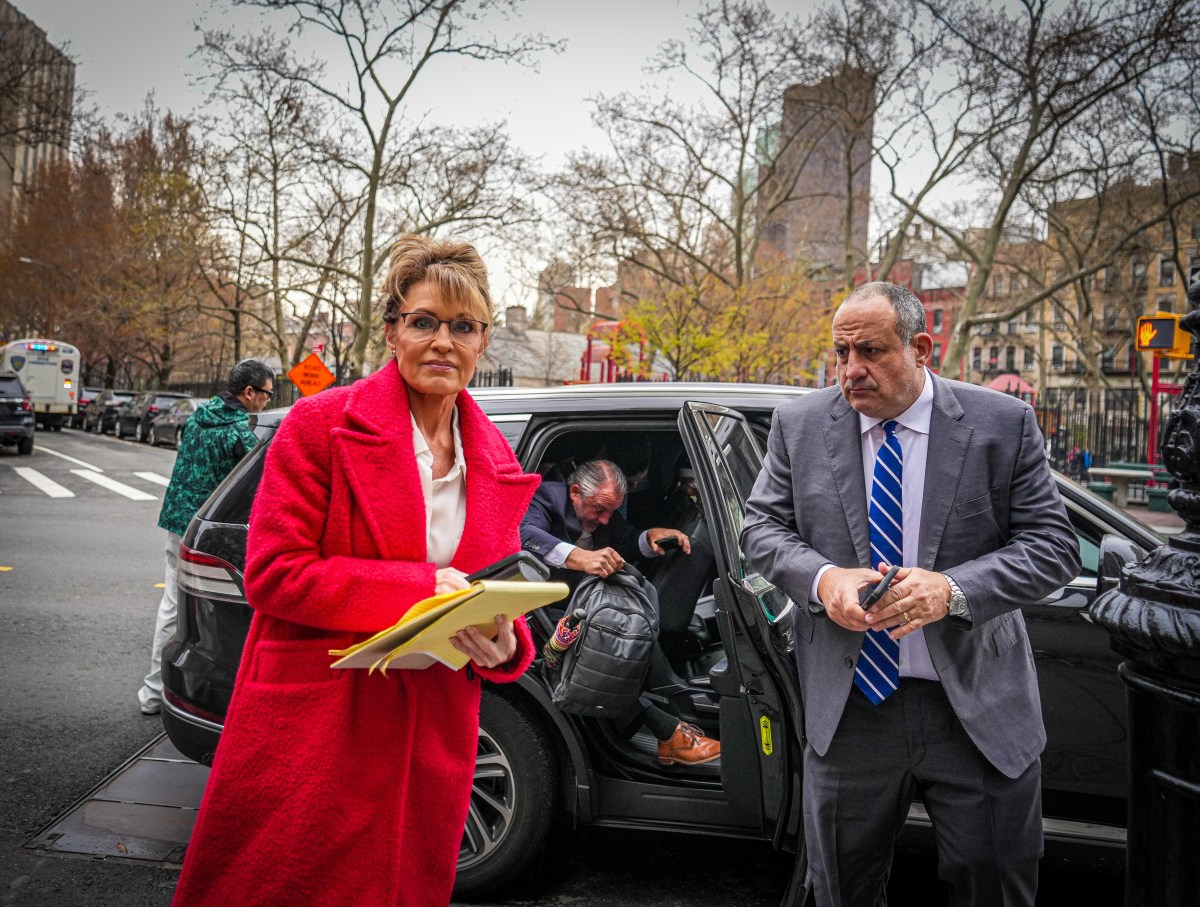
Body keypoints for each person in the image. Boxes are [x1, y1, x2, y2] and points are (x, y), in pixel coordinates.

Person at [172, 236, 542, 907]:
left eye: (463, 326)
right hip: (321, 722)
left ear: (483, 341)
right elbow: (276, 573)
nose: (443, 341)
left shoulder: (495, 460)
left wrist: (508, 641)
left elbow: (489, 594)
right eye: (424, 320)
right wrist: (421, 590)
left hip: (429, 732)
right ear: (392, 329)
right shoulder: (320, 425)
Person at [741, 282, 1080, 907]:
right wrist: (823, 578)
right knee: (843, 889)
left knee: (995, 884)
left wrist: (953, 589)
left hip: (974, 709)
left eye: (869, 351)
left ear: (922, 347)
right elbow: (760, 530)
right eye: (840, 353)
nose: (850, 371)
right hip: (851, 713)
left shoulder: (1001, 424)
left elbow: (1053, 546)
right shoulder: (800, 424)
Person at [521, 459, 721, 766]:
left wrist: (650, 536)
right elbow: (524, 533)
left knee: (633, 625)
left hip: (580, 605)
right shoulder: (547, 496)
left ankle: (674, 728)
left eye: (611, 512)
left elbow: (625, 538)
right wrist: (580, 557)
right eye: (599, 510)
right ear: (575, 492)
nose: (604, 520)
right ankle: (671, 731)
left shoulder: (604, 517)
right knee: (609, 641)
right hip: (537, 611)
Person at [137, 359, 275, 716]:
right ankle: (174, 692)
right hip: (205, 532)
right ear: (249, 392)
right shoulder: (239, 431)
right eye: (266, 395)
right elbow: (266, 481)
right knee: (198, 615)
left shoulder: (202, 414)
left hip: (176, 519)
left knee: (171, 605)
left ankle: (152, 693)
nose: (266, 403)